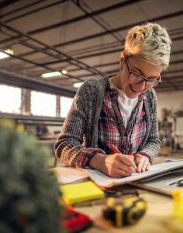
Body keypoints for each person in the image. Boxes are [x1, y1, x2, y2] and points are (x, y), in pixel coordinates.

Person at [55, 23, 172, 178]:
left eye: (152, 79)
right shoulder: (91, 92)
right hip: (98, 186)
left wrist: (145, 155)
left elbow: (153, 140)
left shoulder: (150, 97)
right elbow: (64, 144)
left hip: (135, 183)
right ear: (123, 60)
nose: (142, 86)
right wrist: (99, 161)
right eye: (136, 74)